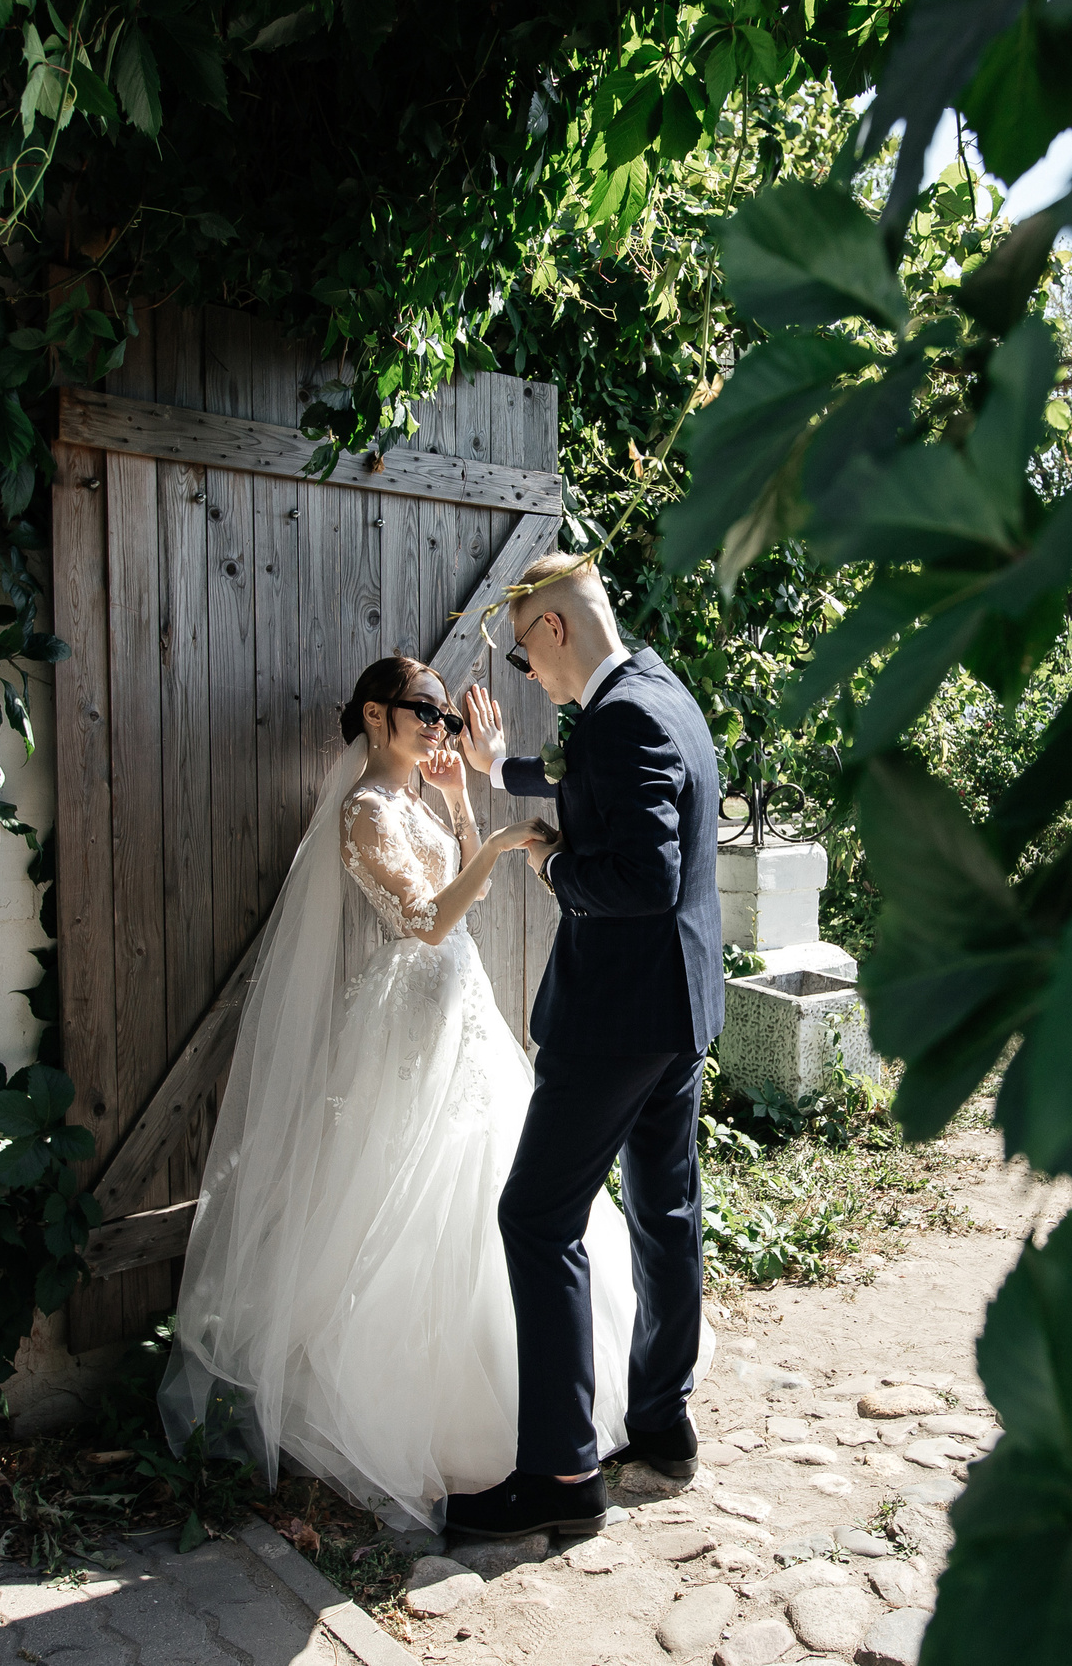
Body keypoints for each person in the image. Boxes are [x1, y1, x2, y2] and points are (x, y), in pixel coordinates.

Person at [157, 655, 647, 1533]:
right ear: (377, 716)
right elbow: (426, 921)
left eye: (446, 718)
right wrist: (497, 844)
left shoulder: (418, 802)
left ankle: (553, 1411)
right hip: (410, 1016)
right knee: (413, 1196)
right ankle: (426, 1413)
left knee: (497, 1180)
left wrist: (464, 806)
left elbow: (461, 885)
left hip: (462, 1009)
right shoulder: (362, 813)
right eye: (426, 711)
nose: (440, 727)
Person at [443, 551, 726, 1541]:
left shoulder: (625, 716)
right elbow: (587, 781)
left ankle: (561, 1481)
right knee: (663, 1210)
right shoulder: (659, 694)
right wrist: (497, 773)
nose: (529, 677)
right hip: (674, 1011)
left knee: (535, 1218)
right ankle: (660, 1427)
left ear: (552, 627)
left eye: (523, 657)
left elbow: (640, 876)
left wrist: (553, 863)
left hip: (615, 1021)